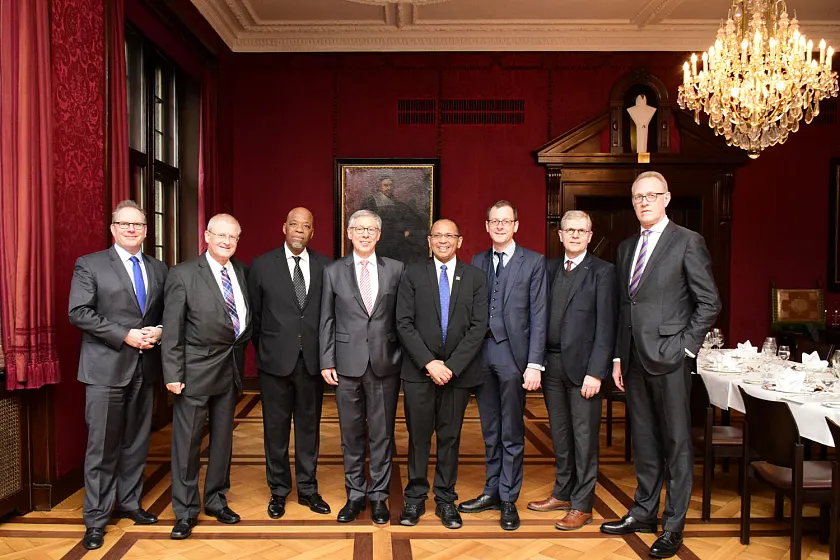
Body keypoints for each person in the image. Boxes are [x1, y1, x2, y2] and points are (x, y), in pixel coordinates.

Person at [600, 171, 721, 559]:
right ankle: (643, 512)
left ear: (667, 198)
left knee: (676, 443)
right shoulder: (625, 246)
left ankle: (673, 525)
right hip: (634, 358)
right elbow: (625, 306)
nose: (644, 202)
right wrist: (619, 354)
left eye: (652, 195)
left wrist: (686, 349)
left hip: (670, 357)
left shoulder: (688, 242)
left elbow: (709, 302)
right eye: (637, 197)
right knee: (645, 440)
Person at [69, 200, 168, 550]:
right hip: (105, 370)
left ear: (145, 230)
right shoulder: (91, 265)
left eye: (137, 225)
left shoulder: (158, 268)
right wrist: (124, 334)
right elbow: (78, 312)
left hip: (145, 368)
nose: (131, 229)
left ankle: (129, 503)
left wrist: (159, 331)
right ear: (113, 228)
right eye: (124, 224)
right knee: (102, 448)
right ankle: (95, 519)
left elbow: (168, 312)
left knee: (137, 443)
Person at [162, 214, 252, 540]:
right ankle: (185, 511)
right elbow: (171, 329)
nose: (227, 242)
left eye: (233, 237)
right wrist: (172, 374)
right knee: (187, 446)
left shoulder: (240, 271)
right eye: (221, 236)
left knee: (223, 442)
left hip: (229, 370)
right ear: (207, 235)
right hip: (194, 373)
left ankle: (215, 499)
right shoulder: (183, 274)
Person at [459, 200, 547, 531]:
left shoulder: (534, 262)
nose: (499, 226)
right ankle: (492, 491)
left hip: (514, 356)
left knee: (511, 431)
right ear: (486, 226)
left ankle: (509, 497)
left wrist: (535, 363)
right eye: (494, 221)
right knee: (490, 429)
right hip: (481, 355)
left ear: (516, 225)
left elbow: (539, 315)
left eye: (505, 221)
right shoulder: (477, 260)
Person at [526, 210, 617, 531]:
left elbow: (607, 326)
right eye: (570, 230)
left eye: (582, 230)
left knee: (584, 439)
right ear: (560, 235)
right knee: (561, 435)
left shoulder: (603, 273)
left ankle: (582, 504)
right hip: (552, 366)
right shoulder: (547, 268)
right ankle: (562, 492)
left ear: (590, 236)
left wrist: (597, 372)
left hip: (585, 371)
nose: (575, 235)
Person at [396, 219, 488, 530]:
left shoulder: (475, 277)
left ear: (460, 241)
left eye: (450, 236)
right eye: (438, 236)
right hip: (419, 372)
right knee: (419, 438)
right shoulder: (412, 274)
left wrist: (452, 366)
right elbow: (403, 323)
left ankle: (446, 499)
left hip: (458, 375)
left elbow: (478, 327)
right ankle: (415, 497)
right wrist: (429, 363)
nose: (444, 241)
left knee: (450, 437)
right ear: (429, 240)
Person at [319, 209, 405, 524]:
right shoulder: (332, 271)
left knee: (382, 435)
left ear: (379, 235)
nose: (365, 234)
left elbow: (403, 320)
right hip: (345, 365)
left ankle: (379, 497)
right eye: (359, 229)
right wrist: (326, 359)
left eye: (371, 229)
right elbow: (326, 319)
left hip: (385, 364)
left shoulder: (396, 270)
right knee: (351, 434)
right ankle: (355, 495)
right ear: (350, 233)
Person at [248, 207, 331, 519]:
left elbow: (328, 315)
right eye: (294, 224)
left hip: (311, 363)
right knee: (276, 430)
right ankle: (278, 491)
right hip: (274, 363)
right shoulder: (262, 265)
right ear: (284, 227)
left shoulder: (326, 266)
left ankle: (308, 489)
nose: (299, 230)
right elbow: (254, 316)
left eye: (306, 225)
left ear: (312, 231)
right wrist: (268, 349)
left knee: (309, 429)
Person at [362, 177, 429, 264]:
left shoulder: (398, 204)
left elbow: (413, 219)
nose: (389, 188)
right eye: (385, 185)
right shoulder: (370, 202)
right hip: (380, 243)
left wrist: (408, 231)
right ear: (379, 187)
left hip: (396, 242)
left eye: (390, 185)